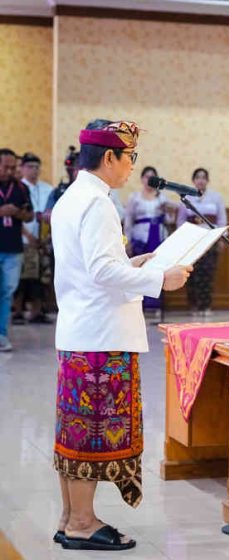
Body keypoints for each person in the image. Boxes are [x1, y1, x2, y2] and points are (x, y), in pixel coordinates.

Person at [51, 119, 191, 551]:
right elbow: (99, 271)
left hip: (83, 329)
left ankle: (71, 518)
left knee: (75, 432)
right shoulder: (96, 203)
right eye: (130, 157)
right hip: (101, 336)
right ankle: (81, 523)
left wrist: (137, 264)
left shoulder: (72, 198)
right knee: (90, 433)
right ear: (109, 157)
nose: (133, 166)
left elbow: (91, 269)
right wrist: (159, 279)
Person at [124, 166, 176, 312]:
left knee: (157, 268)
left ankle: (156, 304)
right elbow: (128, 220)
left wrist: (169, 211)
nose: (148, 180)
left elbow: (170, 219)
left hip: (158, 234)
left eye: (152, 177)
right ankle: (141, 304)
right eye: (146, 176)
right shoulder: (134, 197)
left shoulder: (162, 198)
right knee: (141, 269)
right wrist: (126, 241)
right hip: (140, 236)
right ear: (142, 179)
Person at [176, 168, 227, 316]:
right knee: (191, 273)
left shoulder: (216, 197)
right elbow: (180, 221)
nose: (201, 180)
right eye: (197, 177)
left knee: (207, 273)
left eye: (204, 177)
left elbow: (222, 219)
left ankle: (206, 306)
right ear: (193, 180)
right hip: (192, 241)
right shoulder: (186, 198)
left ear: (208, 180)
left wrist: (221, 238)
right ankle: (193, 306)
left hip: (210, 240)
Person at [0, 148, 33, 352]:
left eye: (13, 167)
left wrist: (18, 213)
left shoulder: (21, 188)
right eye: (5, 167)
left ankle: (2, 334)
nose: (10, 171)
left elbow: (30, 216)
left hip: (13, 248)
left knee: (7, 292)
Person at [15, 152, 54, 324]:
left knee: (40, 278)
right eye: (30, 167)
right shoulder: (17, 187)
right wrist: (27, 235)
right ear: (22, 168)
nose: (34, 170)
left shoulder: (47, 189)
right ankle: (17, 311)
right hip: (22, 239)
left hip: (43, 240)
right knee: (21, 278)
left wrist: (46, 237)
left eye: (37, 167)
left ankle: (37, 312)